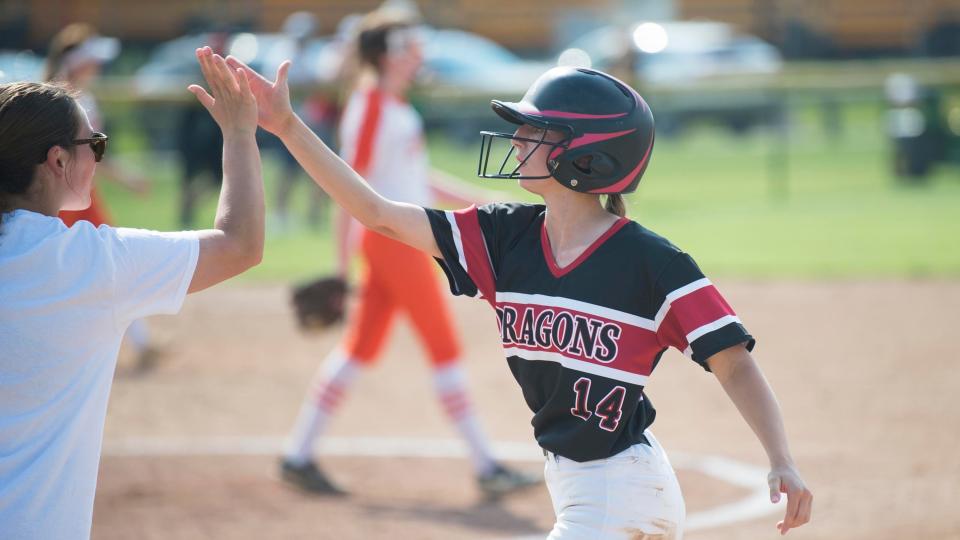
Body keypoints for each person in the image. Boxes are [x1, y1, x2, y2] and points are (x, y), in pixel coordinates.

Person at [228, 54, 813, 537]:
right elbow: (376, 214)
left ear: (587, 157)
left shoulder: (651, 263)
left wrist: (781, 459)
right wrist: (285, 125)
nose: (518, 137)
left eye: (537, 130)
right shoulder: (503, 238)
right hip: (584, 484)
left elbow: (733, 362)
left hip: (619, 490)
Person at [0, 47, 263, 539]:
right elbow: (241, 244)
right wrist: (240, 132)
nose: (99, 156)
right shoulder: (93, 264)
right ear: (57, 160)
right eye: (93, 144)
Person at [279, 9, 538, 498]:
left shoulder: (392, 105)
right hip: (392, 241)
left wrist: (480, 202)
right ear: (381, 56)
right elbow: (348, 186)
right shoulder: (373, 104)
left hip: (396, 238)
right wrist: (342, 266)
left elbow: (416, 181)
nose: (415, 54)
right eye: (404, 47)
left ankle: (297, 454)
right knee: (444, 348)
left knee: (359, 350)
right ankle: (486, 467)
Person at [44, 23, 159, 370]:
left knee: (100, 265)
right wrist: (127, 178)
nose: (98, 67)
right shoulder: (62, 99)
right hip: (65, 196)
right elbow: (86, 155)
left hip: (75, 195)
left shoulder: (74, 96)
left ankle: (141, 341)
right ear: (76, 62)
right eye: (92, 60)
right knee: (95, 265)